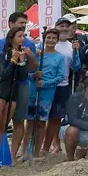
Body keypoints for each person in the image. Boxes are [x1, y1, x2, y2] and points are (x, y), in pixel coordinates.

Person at [0, 12, 39, 158]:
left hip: (22, 86)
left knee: (19, 120)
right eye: (20, 23)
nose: (23, 26)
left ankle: (12, 155)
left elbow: (33, 68)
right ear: (10, 24)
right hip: (2, 85)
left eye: (24, 23)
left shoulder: (28, 44)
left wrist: (31, 56)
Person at [28, 28, 68, 160]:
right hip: (33, 90)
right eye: (48, 38)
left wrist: (45, 84)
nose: (51, 40)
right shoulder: (38, 54)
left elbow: (60, 77)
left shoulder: (60, 57)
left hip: (48, 93)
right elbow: (28, 70)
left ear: (57, 40)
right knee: (30, 121)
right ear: (44, 39)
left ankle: (37, 151)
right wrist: (34, 76)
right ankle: (27, 149)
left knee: (41, 122)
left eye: (53, 38)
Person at [45, 15, 83, 155]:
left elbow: (76, 67)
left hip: (63, 85)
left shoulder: (70, 45)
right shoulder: (47, 42)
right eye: (61, 26)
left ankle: (53, 145)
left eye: (67, 27)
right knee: (43, 118)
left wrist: (76, 52)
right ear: (56, 27)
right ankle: (44, 146)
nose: (64, 29)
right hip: (46, 85)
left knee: (55, 118)